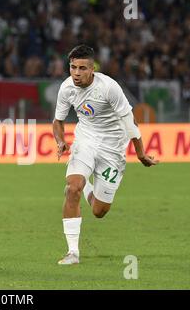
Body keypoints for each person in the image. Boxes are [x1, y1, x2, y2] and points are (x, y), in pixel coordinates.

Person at [52, 45, 159, 265]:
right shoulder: (66, 88)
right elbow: (58, 121)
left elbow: (130, 122)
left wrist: (140, 153)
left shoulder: (109, 87)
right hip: (86, 140)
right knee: (72, 188)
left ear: (92, 69)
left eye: (82, 68)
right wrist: (61, 140)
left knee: (99, 211)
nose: (76, 73)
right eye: (73, 67)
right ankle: (73, 253)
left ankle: (88, 187)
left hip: (113, 147)